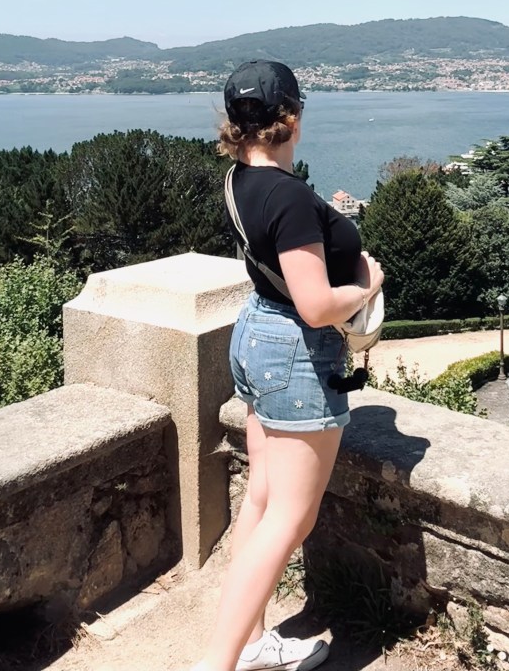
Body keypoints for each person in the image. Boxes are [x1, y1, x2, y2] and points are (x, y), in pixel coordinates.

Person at [194, 59, 384, 671]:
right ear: (293, 117)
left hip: (256, 338)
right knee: (290, 520)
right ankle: (215, 665)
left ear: (234, 123)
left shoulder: (238, 181)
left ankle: (248, 645)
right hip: (295, 353)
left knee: (262, 502)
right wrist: (368, 285)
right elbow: (316, 304)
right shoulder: (290, 196)